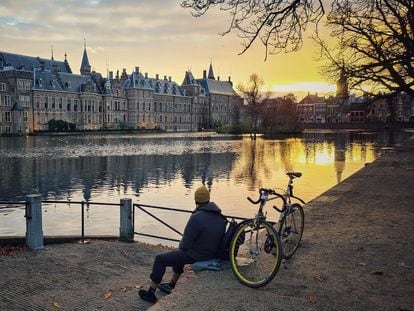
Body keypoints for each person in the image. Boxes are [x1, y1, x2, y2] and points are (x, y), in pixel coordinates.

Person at [138, 186, 226, 303]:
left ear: (196, 201)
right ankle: (172, 284)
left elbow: (184, 245)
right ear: (208, 200)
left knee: (161, 259)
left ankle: (151, 293)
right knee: (179, 254)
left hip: (197, 255)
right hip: (211, 254)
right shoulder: (221, 217)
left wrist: (182, 248)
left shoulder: (196, 217)